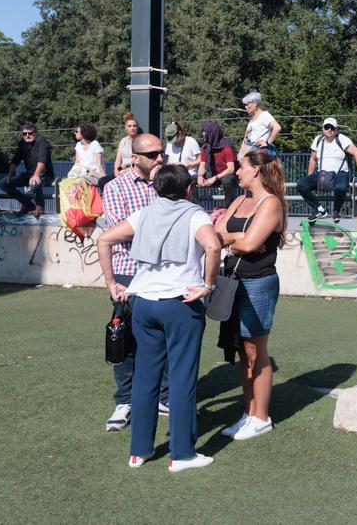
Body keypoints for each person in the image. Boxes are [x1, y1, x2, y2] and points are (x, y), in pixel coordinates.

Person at [96, 164, 221, 472]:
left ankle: (138, 451)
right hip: (181, 304)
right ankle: (182, 454)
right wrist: (208, 285)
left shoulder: (144, 214)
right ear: (189, 188)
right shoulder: (195, 215)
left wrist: (112, 283)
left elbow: (104, 240)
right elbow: (214, 245)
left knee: (144, 377)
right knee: (181, 377)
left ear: (155, 189)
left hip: (143, 304)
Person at [215, 150, 287, 441]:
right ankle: (248, 413)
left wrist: (236, 241)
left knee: (256, 350)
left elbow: (251, 244)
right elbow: (219, 233)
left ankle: (261, 416)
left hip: (259, 283)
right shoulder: (239, 200)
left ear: (256, 170)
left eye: (242, 167)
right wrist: (237, 240)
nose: (237, 172)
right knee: (242, 350)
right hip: (233, 281)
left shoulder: (270, 203)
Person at [100, 131, 168, 431]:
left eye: (161, 153)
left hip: (163, 272)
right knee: (123, 340)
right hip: (128, 272)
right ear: (135, 158)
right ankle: (125, 400)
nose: (160, 159)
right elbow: (122, 231)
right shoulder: (115, 187)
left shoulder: (167, 183)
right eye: (153, 154)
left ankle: (164, 396)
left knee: (163, 336)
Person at [295, 117, 357, 223]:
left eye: (332, 128)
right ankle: (320, 210)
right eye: (327, 127)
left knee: (340, 188)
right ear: (322, 128)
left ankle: (336, 211)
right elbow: (313, 159)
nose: (329, 130)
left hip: (340, 173)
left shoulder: (342, 139)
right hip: (322, 173)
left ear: (336, 129)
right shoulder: (318, 140)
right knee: (301, 185)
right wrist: (310, 175)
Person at [1, 123, 54, 218]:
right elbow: (15, 160)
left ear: (35, 133)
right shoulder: (22, 144)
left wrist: (36, 174)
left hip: (44, 175)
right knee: (3, 183)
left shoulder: (42, 142)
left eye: (30, 133)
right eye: (24, 134)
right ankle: (28, 204)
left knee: (34, 182)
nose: (27, 135)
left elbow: (42, 160)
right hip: (28, 175)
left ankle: (40, 207)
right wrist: (9, 175)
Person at [196, 121, 239, 206]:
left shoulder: (226, 148)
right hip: (212, 175)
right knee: (192, 180)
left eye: (205, 133)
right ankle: (197, 206)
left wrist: (215, 178)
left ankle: (229, 206)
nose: (203, 136)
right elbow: (202, 164)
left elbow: (231, 169)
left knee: (227, 181)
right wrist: (200, 176)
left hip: (226, 175)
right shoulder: (205, 148)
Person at [238, 91, 281, 158]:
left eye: (247, 104)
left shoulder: (264, 115)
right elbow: (246, 138)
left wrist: (267, 142)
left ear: (254, 103)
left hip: (258, 154)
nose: (245, 107)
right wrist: (241, 154)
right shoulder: (251, 120)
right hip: (248, 154)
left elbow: (277, 127)